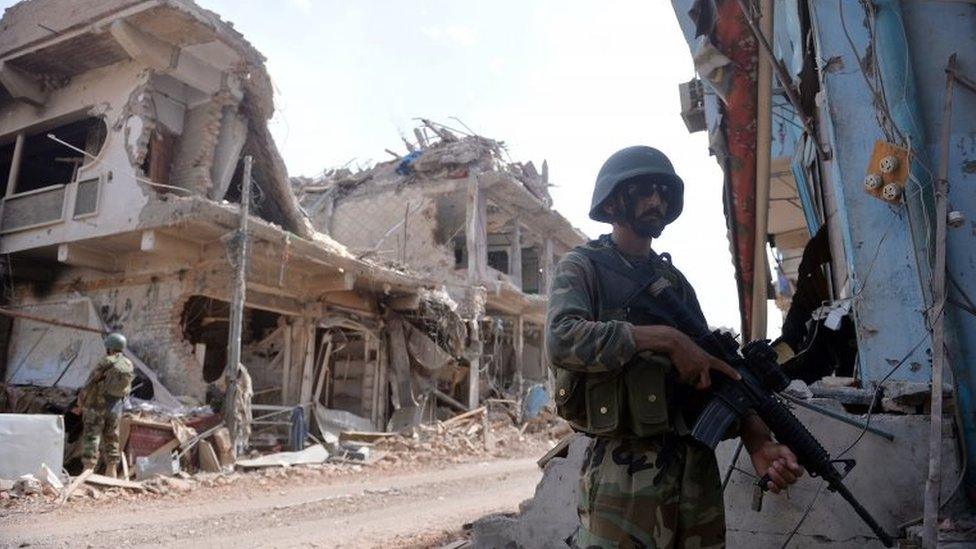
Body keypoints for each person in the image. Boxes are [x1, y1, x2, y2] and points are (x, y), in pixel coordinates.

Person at [546, 146, 804, 548]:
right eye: (645, 191)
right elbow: (562, 338)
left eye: (663, 193)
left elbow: (716, 372)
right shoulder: (583, 267)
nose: (657, 201)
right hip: (625, 471)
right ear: (614, 201)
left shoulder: (675, 283)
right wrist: (666, 339)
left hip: (693, 470)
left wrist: (759, 441)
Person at [79, 332, 135, 477]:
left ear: (109, 347)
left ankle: (87, 471)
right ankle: (111, 471)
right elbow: (126, 389)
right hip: (115, 407)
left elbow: (90, 382)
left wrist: (81, 401)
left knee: (92, 436)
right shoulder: (128, 364)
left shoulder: (106, 361)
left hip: (97, 405)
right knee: (112, 438)